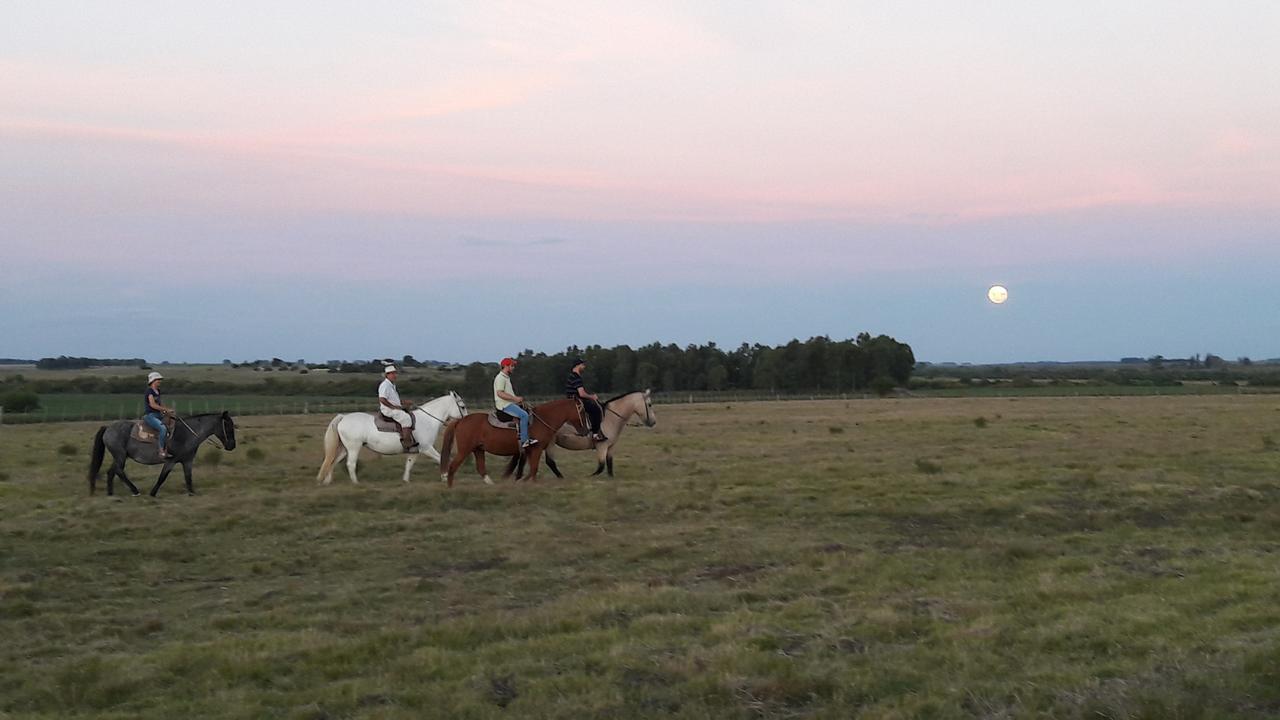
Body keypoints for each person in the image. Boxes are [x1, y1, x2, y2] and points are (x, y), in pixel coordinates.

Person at [493, 357, 537, 449]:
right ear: (506, 366)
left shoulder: (506, 378)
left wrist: (517, 401)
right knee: (524, 415)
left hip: (509, 403)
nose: (513, 368)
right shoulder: (501, 378)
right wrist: (515, 398)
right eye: (512, 366)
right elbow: (500, 393)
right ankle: (524, 441)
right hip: (504, 405)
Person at [565, 357, 607, 442]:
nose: (584, 366)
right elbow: (582, 393)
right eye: (582, 364)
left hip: (571, 400)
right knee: (596, 410)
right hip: (576, 401)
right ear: (578, 365)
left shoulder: (571, 376)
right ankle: (595, 434)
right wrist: (592, 397)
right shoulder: (576, 377)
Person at [378, 365, 417, 451]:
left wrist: (405, 402)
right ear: (387, 375)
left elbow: (394, 399)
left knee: (409, 414)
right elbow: (382, 399)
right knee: (406, 418)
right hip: (388, 410)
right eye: (392, 374)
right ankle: (407, 443)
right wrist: (393, 407)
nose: (395, 375)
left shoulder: (392, 385)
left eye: (395, 373)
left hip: (394, 408)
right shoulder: (385, 385)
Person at [142, 371, 174, 458]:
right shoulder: (149, 391)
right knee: (163, 429)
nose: (160, 381)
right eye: (158, 380)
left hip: (159, 414)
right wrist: (166, 409)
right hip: (150, 415)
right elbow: (153, 404)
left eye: (160, 380)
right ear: (153, 381)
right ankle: (161, 451)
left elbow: (160, 404)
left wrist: (166, 411)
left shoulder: (158, 391)